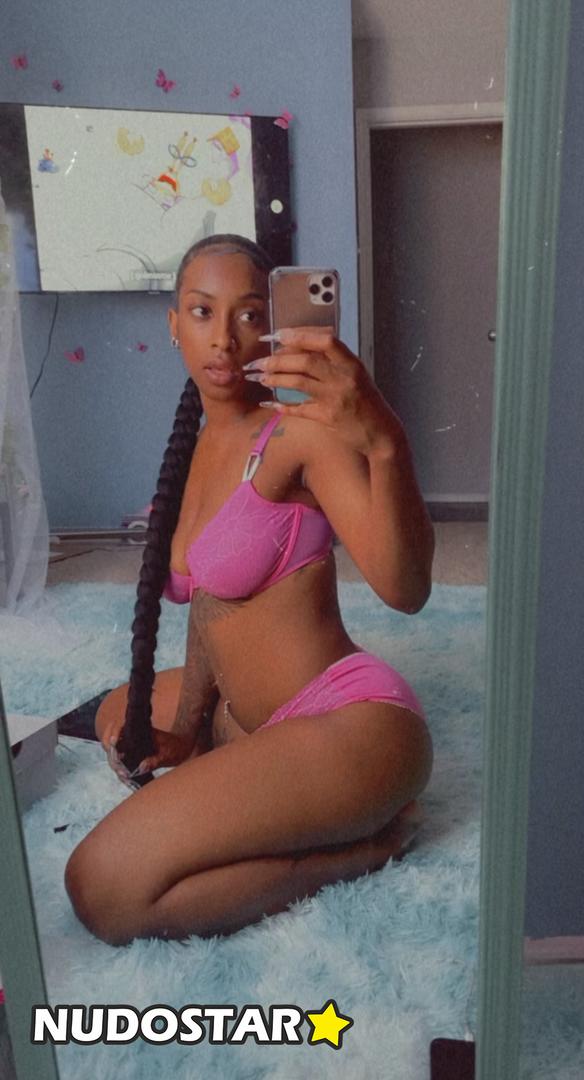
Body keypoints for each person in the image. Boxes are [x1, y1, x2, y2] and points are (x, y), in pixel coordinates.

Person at [64, 234, 435, 945]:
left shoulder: (300, 436)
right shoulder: (194, 446)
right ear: (174, 324)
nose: (224, 340)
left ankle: (357, 851)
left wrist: (384, 439)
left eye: (249, 315)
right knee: (118, 711)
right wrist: (188, 728)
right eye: (202, 312)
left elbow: (407, 589)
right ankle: (246, 764)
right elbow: (210, 601)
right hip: (247, 720)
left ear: (274, 326)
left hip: (351, 721)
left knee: (102, 888)